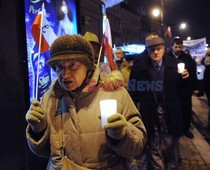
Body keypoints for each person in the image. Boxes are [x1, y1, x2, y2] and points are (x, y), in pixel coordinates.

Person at [25, 34, 147, 169]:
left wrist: (122, 134)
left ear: (87, 65)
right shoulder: (49, 98)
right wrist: (38, 130)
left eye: (73, 66)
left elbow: (138, 144)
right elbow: (42, 152)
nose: (65, 75)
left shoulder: (115, 94)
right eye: (59, 67)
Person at [129, 36, 190, 169]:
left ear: (164, 49)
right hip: (150, 112)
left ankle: (171, 166)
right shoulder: (139, 69)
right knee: (153, 144)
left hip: (170, 112)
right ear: (147, 50)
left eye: (158, 49)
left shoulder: (174, 65)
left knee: (171, 145)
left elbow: (184, 93)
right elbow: (133, 92)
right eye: (152, 49)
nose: (155, 52)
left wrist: (185, 79)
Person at [167, 37, 199, 139]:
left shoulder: (187, 58)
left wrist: (195, 87)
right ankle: (173, 128)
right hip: (172, 88)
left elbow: (193, 73)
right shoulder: (167, 57)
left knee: (186, 110)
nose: (177, 49)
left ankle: (186, 128)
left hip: (185, 88)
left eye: (179, 47)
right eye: (175, 47)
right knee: (173, 109)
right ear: (172, 47)